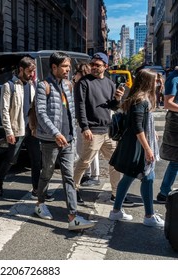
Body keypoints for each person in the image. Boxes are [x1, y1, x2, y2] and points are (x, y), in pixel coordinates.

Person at [33, 51, 94, 231]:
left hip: (67, 139)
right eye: (65, 66)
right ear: (54, 67)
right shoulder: (43, 86)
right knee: (47, 173)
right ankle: (40, 203)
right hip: (50, 140)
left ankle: (73, 216)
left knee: (68, 177)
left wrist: (75, 132)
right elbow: (41, 113)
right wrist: (55, 133)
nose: (68, 69)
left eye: (69, 66)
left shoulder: (68, 85)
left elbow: (72, 110)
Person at [73, 52, 134, 207]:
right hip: (92, 130)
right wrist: (84, 127)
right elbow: (79, 106)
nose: (94, 67)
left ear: (105, 67)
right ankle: (73, 189)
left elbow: (112, 106)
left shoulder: (109, 83)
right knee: (84, 162)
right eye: (92, 64)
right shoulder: (84, 82)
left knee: (115, 163)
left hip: (108, 131)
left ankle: (116, 194)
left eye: (97, 65)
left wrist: (118, 98)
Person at [108, 69, 165, 227]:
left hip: (133, 145)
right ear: (147, 82)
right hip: (137, 147)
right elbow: (137, 127)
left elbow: (141, 122)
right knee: (147, 177)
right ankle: (148, 216)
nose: (157, 83)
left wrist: (152, 131)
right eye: (155, 80)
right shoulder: (141, 100)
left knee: (131, 177)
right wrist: (148, 149)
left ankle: (117, 211)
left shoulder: (140, 98)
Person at [0, 56, 42, 198]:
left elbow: (33, 107)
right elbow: (4, 110)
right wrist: (9, 131)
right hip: (17, 128)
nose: (32, 74)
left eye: (33, 71)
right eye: (29, 71)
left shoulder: (32, 85)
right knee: (11, 158)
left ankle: (36, 189)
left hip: (31, 128)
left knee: (36, 159)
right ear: (21, 69)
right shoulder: (9, 86)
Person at [73, 62, 100, 205]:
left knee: (85, 152)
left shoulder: (82, 85)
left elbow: (81, 107)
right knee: (89, 151)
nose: (73, 75)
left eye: (76, 73)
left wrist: (84, 125)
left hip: (86, 125)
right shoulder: (89, 84)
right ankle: (90, 175)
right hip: (89, 124)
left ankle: (89, 176)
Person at [156, 66, 178, 203]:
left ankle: (164, 192)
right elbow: (168, 103)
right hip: (176, 123)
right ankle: (164, 192)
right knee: (175, 161)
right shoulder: (174, 78)